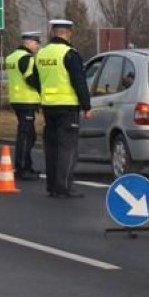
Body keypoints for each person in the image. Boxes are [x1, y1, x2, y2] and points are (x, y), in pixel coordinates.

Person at [31, 19, 92, 198]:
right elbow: (79, 81)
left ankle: (52, 187)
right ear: (68, 33)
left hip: (48, 107)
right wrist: (86, 105)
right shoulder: (70, 54)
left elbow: (35, 79)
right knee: (68, 148)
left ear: (52, 32)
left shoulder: (41, 54)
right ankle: (64, 186)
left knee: (51, 147)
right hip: (67, 108)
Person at [4, 31, 42, 181]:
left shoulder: (11, 57)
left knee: (28, 134)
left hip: (16, 99)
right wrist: (43, 87)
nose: (37, 46)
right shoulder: (27, 59)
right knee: (26, 136)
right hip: (27, 100)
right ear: (29, 43)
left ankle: (26, 166)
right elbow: (30, 79)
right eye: (36, 43)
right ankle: (22, 168)